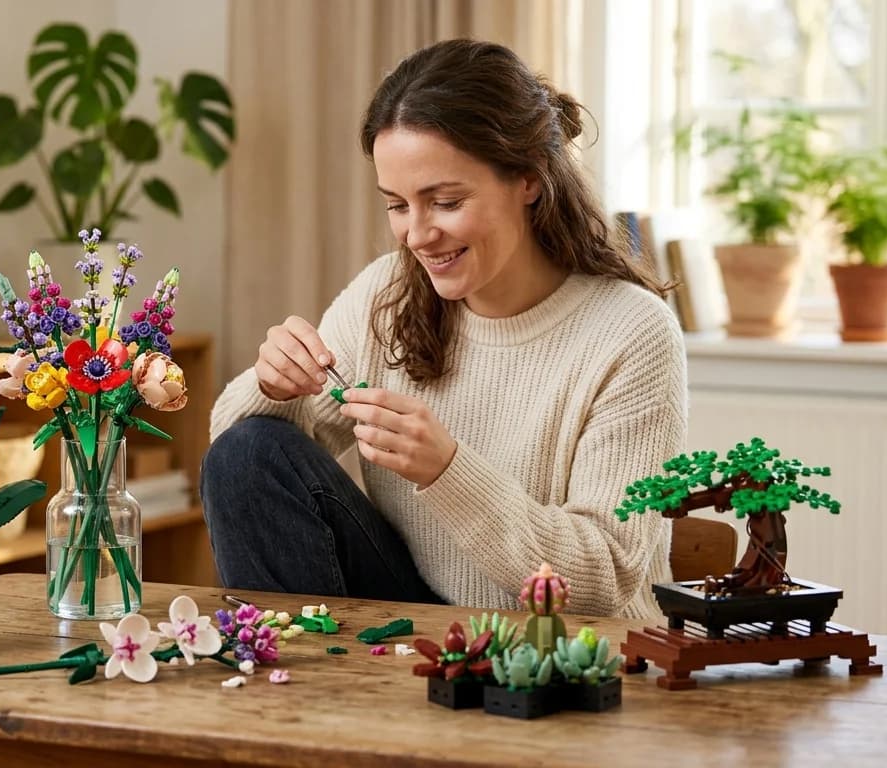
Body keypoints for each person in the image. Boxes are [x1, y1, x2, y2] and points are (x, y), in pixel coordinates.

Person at [200, 38, 686, 618]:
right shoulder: (387, 294)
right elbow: (240, 468)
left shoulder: (630, 332)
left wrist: (447, 470)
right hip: (419, 628)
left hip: (564, 646)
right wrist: (273, 387)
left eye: (447, 201)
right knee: (249, 450)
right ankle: (295, 673)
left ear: (528, 179)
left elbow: (601, 581)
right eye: (397, 205)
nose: (417, 234)